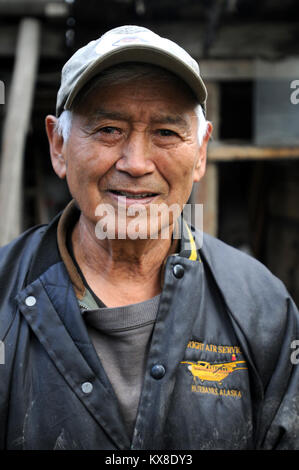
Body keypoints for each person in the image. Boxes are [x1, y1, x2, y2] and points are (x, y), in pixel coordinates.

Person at [0, 25, 299, 451]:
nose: (136, 163)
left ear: (200, 153)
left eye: (165, 132)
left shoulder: (262, 308)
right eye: (108, 129)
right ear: (58, 144)